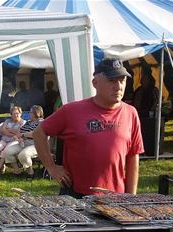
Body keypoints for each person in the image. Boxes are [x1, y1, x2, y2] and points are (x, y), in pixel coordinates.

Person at [33, 58, 144, 198]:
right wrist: (51, 167)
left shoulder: (130, 113)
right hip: (76, 194)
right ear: (95, 83)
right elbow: (39, 133)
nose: (118, 86)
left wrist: (131, 197)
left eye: (122, 80)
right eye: (112, 80)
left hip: (116, 196)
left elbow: (133, 155)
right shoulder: (72, 111)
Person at [0, 105, 44, 178]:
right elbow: (19, 132)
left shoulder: (41, 122)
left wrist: (23, 135)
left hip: (36, 144)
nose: (29, 114)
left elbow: (35, 134)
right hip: (23, 142)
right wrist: (18, 137)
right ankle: (17, 170)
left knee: (23, 155)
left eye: (30, 112)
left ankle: (30, 171)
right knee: (7, 151)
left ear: (36, 113)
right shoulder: (28, 122)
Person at [0, 106, 25, 173]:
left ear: (20, 114)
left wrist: (8, 130)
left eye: (17, 113)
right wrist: (13, 133)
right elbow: (2, 130)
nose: (15, 115)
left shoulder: (23, 123)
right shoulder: (7, 121)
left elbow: (19, 133)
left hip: (15, 142)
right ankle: (2, 166)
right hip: (4, 140)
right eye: (13, 113)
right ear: (11, 114)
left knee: (5, 151)